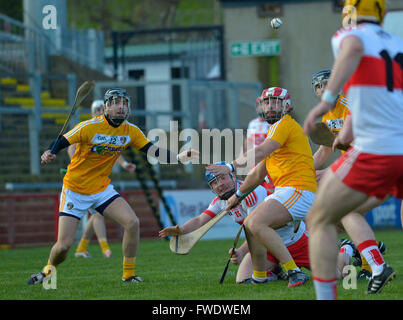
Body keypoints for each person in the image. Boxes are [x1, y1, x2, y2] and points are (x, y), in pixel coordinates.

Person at [27, 88, 199, 285]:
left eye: (124, 103)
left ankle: (128, 275)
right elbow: (62, 140)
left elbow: (152, 150)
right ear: (106, 107)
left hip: (101, 189)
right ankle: (48, 272)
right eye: (116, 103)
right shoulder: (89, 126)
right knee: (64, 246)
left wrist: (177, 157)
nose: (121, 107)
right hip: (75, 190)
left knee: (132, 223)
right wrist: (50, 151)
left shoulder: (131, 131)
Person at [303, 0, 401, 299]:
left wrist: (327, 100)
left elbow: (354, 47)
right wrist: (341, 137)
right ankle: (376, 263)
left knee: (319, 218)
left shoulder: (348, 36)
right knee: (351, 213)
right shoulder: (397, 44)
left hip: (379, 150)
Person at [159, 164, 356, 283]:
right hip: (269, 249)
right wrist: (180, 230)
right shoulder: (221, 201)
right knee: (243, 280)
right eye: (214, 183)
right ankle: (278, 271)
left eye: (223, 178)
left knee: (335, 276)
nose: (220, 185)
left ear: (233, 177)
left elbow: (257, 230)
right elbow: (201, 220)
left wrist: (243, 251)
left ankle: (345, 250)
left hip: (294, 241)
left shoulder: (251, 192)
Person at [207, 87, 316, 287]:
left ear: (287, 106)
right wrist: (237, 196)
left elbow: (261, 150)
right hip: (288, 191)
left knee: (255, 222)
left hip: (298, 190)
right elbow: (258, 173)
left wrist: (230, 166)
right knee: (250, 223)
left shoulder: (284, 125)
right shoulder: (274, 132)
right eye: (267, 102)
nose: (270, 106)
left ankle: (294, 272)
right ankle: (259, 277)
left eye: (276, 102)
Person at [311, 69, 387, 280]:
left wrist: (328, 171)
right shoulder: (326, 113)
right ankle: (370, 263)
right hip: (362, 164)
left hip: (375, 160)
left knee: (348, 212)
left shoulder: (349, 105)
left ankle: (372, 262)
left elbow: (363, 143)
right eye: (318, 86)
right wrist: (305, 169)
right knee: (353, 212)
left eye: (327, 83)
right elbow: (325, 150)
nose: (323, 89)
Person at [70, 100, 136, 259]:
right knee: (96, 216)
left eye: (102, 109)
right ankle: (103, 249)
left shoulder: (110, 131)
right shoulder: (87, 128)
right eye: (97, 110)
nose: (100, 112)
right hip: (82, 183)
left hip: (100, 182)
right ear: (92, 112)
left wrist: (125, 164)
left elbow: (116, 152)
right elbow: (72, 149)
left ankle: (82, 248)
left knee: (96, 215)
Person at [244, 96, 275, 195]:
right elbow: (248, 142)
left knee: (270, 191)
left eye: (263, 105)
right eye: (259, 105)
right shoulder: (252, 123)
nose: (260, 107)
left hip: (269, 161)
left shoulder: (272, 123)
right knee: (254, 191)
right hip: (255, 161)